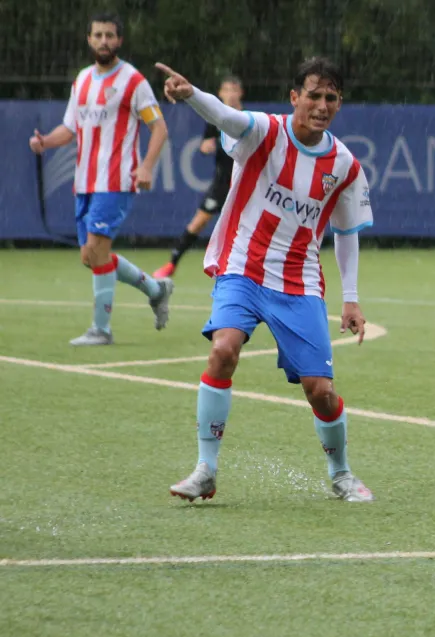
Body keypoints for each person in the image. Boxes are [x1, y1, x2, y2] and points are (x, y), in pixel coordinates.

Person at [158, 57, 376, 503]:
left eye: (330, 97)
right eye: (313, 95)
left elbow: (347, 233)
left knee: (321, 392)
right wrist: (190, 93)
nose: (321, 104)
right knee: (223, 350)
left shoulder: (345, 166)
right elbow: (225, 116)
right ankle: (206, 469)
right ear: (294, 97)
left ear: (339, 103)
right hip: (243, 267)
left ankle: (341, 474)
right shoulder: (263, 131)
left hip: (298, 283)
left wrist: (351, 299)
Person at [28, 12, 173, 345]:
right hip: (85, 182)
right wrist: (46, 142)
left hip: (117, 180)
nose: (104, 41)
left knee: (96, 249)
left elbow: (159, 126)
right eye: (98, 35)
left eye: (110, 35)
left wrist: (147, 166)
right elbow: (70, 127)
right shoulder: (82, 80)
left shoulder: (133, 81)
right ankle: (155, 289)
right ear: (89, 39)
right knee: (92, 257)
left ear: (119, 40)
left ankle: (101, 329)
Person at [154, 76, 245, 279]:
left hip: (243, 185)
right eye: (226, 90)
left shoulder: (249, 119)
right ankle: (172, 264)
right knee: (198, 223)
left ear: (240, 93)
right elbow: (205, 144)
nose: (230, 94)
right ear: (220, 94)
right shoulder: (216, 119)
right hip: (222, 183)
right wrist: (206, 146)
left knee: (244, 230)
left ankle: (242, 272)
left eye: (234, 90)